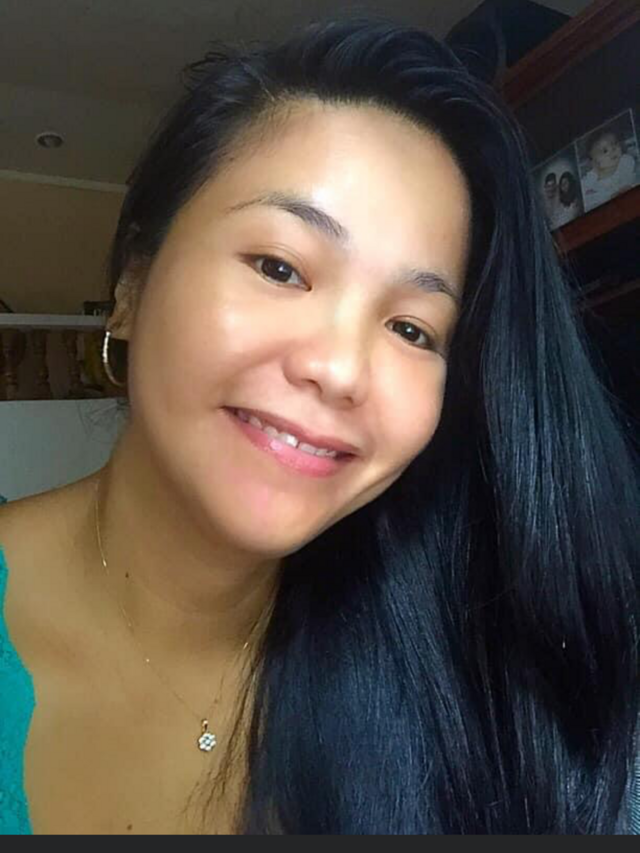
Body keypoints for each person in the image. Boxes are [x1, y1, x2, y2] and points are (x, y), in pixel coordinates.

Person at [0, 19, 638, 835]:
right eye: (280, 267)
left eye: (412, 328)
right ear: (131, 286)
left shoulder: (466, 673)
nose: (340, 369)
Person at [582, 126, 637, 211]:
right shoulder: (591, 178)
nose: (613, 150)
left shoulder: (625, 161)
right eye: (605, 151)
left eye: (615, 144)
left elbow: (633, 178)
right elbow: (587, 197)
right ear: (594, 161)